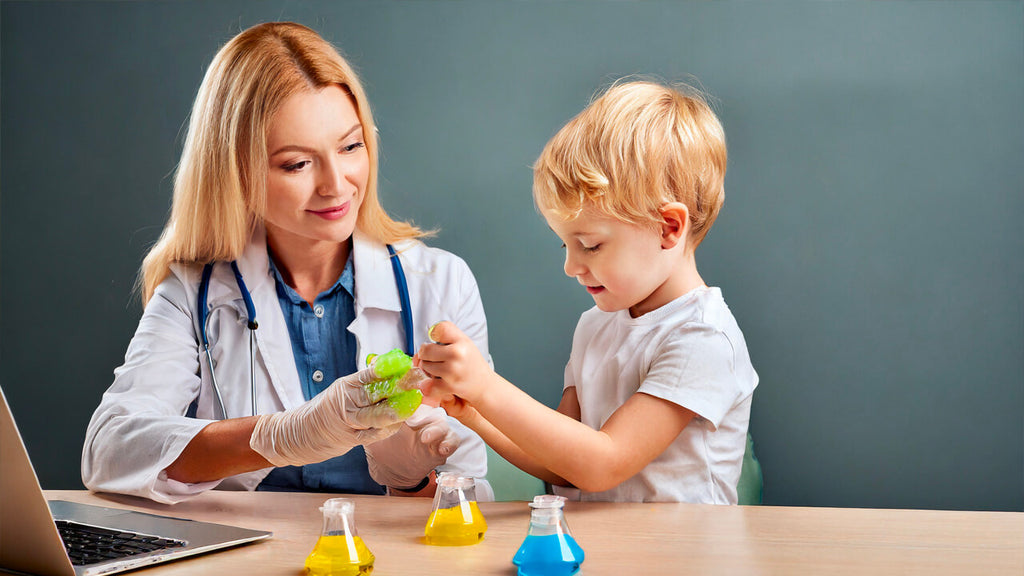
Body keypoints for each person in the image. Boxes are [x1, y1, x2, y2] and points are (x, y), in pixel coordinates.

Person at [81, 22, 493, 504]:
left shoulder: (440, 283)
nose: (336, 185)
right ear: (235, 172)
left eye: (350, 146)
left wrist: (410, 478)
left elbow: (469, 497)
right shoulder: (193, 293)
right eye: (297, 164)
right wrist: (281, 436)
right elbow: (109, 450)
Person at [418, 80, 757, 504]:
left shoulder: (702, 338)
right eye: (565, 244)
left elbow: (603, 463)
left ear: (668, 228)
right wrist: (472, 408)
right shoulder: (595, 327)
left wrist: (486, 386)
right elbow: (563, 464)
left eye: (591, 244)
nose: (571, 266)